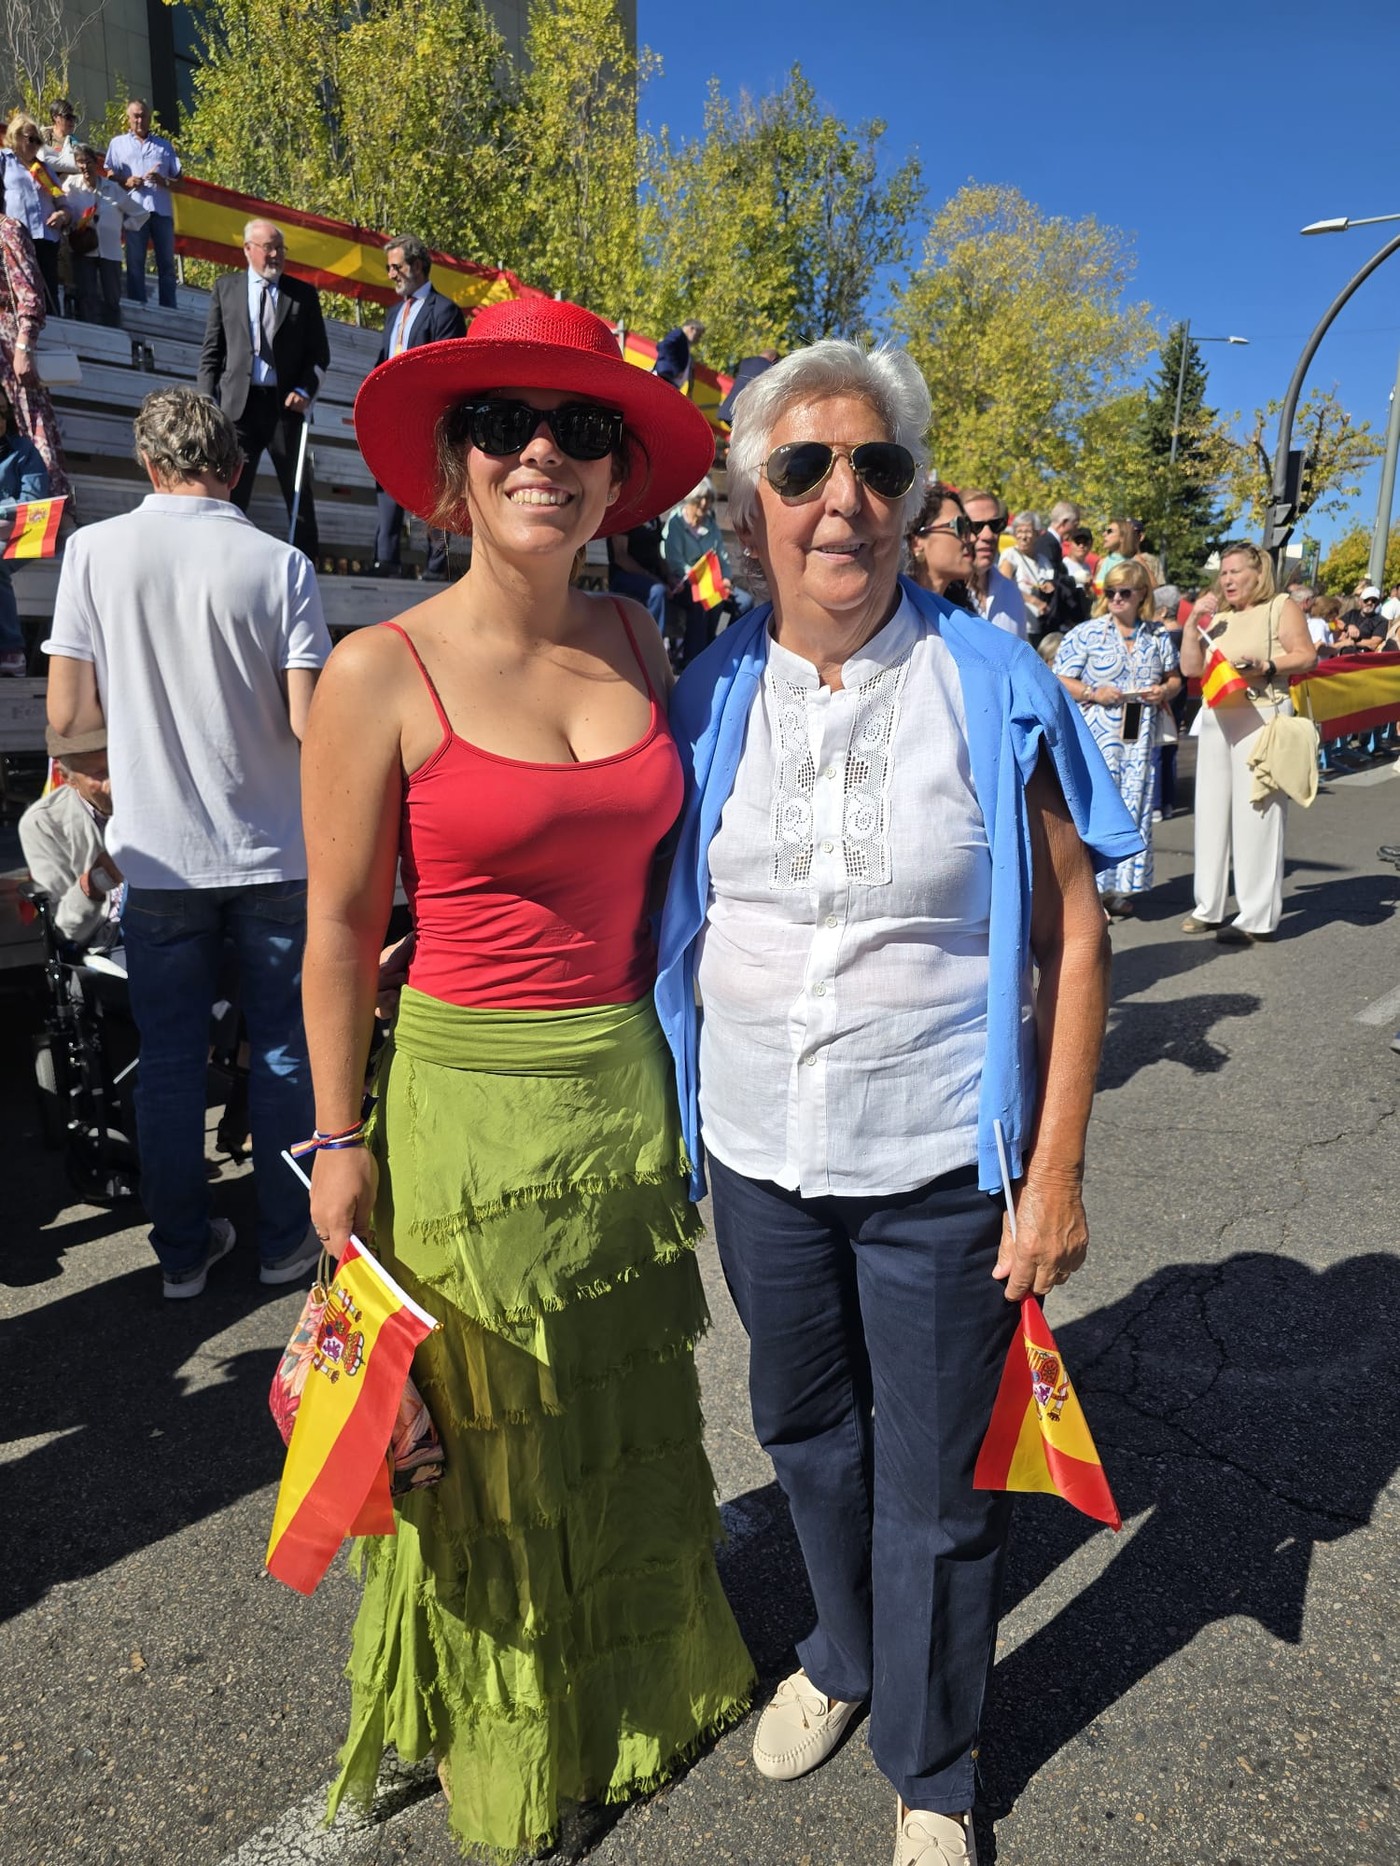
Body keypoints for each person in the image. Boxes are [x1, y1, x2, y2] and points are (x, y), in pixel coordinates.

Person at [655, 339, 1141, 1866]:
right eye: (803, 469)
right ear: (753, 505)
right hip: (757, 1150)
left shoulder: (993, 682)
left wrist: (1053, 1166)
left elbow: (1077, 932)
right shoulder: (708, 688)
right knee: (804, 1430)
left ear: (911, 493)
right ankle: (851, 1655)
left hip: (937, 1152)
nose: (843, 498)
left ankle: (936, 1762)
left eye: (876, 467)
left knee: (938, 1479)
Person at [303, 295, 755, 1859]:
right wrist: (332, 1139)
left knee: (616, 1417)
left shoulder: (639, 632)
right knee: (487, 1448)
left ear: (620, 472)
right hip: (465, 1104)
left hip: (620, 1095)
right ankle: (513, 1752)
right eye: (503, 426)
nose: (543, 454)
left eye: (580, 429)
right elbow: (342, 925)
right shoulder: (376, 669)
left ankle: (630, 1688)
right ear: (453, 468)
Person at [43, 386, 332, 1297]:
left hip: (158, 858)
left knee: (169, 1058)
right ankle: (288, 1243)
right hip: (274, 852)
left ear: (146, 463)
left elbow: (64, 722)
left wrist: (127, 765)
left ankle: (178, 1255)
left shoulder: (93, 551)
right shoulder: (280, 563)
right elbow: (307, 723)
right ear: (237, 467)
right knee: (285, 1050)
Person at [1177, 540, 1318, 945]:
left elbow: (1306, 656)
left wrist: (1267, 665)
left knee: (1258, 813)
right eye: (1223, 573)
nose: (1227, 579)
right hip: (1217, 715)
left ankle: (1256, 917)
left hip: (1262, 714)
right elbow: (1190, 668)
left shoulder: (1279, 607)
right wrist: (1191, 627)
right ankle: (1209, 907)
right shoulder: (1217, 617)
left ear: (1259, 573)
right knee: (1210, 812)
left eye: (1235, 571)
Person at [1052, 560, 1181, 918]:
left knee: (1132, 808)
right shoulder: (1087, 633)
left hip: (1138, 737)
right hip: (1098, 736)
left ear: (1142, 595)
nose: (1116, 598)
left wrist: (1163, 691)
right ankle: (1088, 892)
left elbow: (1175, 679)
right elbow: (1058, 679)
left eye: (1124, 592)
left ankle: (1114, 890)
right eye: (1110, 592)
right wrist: (1093, 692)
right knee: (1095, 811)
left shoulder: (1156, 636)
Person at [197, 218, 329, 562]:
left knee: (298, 492)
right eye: (268, 247)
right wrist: (206, 403)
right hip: (238, 408)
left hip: (285, 408)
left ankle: (308, 563)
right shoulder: (226, 289)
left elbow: (320, 356)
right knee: (231, 488)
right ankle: (225, 558)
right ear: (247, 249)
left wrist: (305, 389)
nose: (275, 255)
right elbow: (211, 353)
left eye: (280, 248)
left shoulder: (302, 295)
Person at [369, 233, 466, 579]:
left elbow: (443, 367)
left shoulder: (446, 311)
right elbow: (382, 363)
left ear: (419, 266)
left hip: (428, 417)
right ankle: (386, 560)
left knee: (434, 488)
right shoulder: (394, 313)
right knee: (387, 486)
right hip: (391, 416)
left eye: (397, 267)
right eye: (389, 268)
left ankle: (437, 568)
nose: (391, 274)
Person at [19, 724, 122, 949]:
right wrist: (95, 883)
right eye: (100, 774)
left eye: (119, 765)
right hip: (107, 944)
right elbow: (66, 931)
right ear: (68, 778)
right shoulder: (44, 823)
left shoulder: (154, 801)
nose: (116, 783)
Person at [0, 215, 70, 505]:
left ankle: (54, 513)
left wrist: (24, 347)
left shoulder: (8, 229)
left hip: (8, 347)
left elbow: (29, 293)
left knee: (31, 424)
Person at [663, 476, 751, 665]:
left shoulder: (710, 525)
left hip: (712, 581)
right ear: (691, 499)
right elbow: (676, 561)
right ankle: (695, 659)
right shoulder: (677, 523)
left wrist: (726, 579)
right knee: (707, 600)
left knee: (745, 602)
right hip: (685, 582)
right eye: (699, 499)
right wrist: (705, 579)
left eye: (708, 499)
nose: (704, 504)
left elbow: (722, 557)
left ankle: (727, 652)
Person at [103, 98, 181, 308]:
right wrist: (125, 181)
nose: (140, 119)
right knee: (135, 262)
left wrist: (163, 181)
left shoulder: (164, 146)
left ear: (149, 118)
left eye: (143, 115)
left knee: (166, 264)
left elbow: (179, 181)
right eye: (135, 116)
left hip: (161, 212)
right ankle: (139, 306)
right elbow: (109, 173)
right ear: (128, 119)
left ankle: (169, 308)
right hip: (134, 210)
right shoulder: (117, 144)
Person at [0, 380, 50, 675]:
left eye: (3, 411)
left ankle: (10, 650)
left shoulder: (22, 450)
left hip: (28, 531)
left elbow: (32, 502)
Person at [63, 146, 138, 327]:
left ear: (96, 164)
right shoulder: (70, 186)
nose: (84, 167)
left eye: (88, 162)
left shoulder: (112, 188)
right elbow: (61, 207)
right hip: (83, 248)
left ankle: (113, 335)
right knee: (86, 295)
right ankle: (87, 333)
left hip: (110, 250)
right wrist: (71, 226)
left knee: (111, 298)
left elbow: (139, 214)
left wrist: (123, 228)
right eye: (80, 162)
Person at [2, 113, 70, 311]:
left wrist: (62, 215)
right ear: (15, 136)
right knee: (19, 289)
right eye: (31, 139)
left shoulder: (45, 169)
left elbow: (64, 204)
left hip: (46, 239)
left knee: (48, 289)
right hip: (15, 240)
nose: (36, 144)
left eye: (38, 140)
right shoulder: (3, 161)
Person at [962, 488, 1027, 637]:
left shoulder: (1011, 592)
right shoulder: (939, 594)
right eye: (976, 526)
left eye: (995, 524)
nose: (988, 535)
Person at [904, 477, 974, 608]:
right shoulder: (889, 614)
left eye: (968, 527)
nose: (972, 538)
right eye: (959, 526)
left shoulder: (963, 617)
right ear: (917, 543)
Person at [999, 510, 1057, 633]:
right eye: (1019, 531)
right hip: (1016, 626)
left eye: (1028, 532)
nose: (1023, 537)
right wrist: (1034, 601)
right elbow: (1004, 585)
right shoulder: (1010, 555)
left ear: (1037, 534)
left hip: (1039, 626)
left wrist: (1048, 586)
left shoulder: (1043, 560)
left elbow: (1050, 582)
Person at [653, 317, 703, 389]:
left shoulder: (684, 342)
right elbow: (664, 346)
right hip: (665, 379)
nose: (698, 339)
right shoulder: (679, 334)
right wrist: (676, 369)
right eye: (699, 335)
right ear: (692, 328)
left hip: (670, 381)